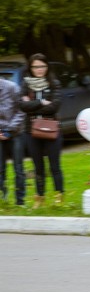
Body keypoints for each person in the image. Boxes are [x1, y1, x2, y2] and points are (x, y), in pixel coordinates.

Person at [19, 54, 64, 208]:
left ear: (47, 67)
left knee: (54, 165)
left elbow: (54, 106)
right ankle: (40, 197)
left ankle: (59, 195)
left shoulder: (54, 84)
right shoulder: (26, 84)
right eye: (36, 67)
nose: (39, 70)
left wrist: (32, 104)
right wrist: (40, 102)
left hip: (51, 129)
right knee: (38, 166)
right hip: (31, 131)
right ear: (30, 68)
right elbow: (22, 106)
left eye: (42, 66)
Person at [0, 74, 26, 206]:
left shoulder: (12, 87)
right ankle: (3, 199)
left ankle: (20, 201)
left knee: (18, 168)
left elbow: (21, 111)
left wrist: (8, 131)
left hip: (15, 133)